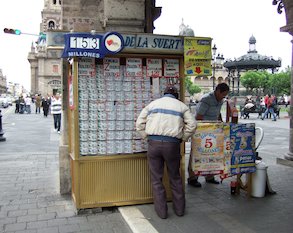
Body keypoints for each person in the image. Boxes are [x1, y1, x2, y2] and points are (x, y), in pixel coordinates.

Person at [136, 86, 197, 219]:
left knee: (156, 179)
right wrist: (183, 137)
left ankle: (162, 213)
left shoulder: (152, 105)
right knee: (175, 177)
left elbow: (139, 123)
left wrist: (146, 137)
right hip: (172, 145)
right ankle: (180, 210)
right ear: (176, 95)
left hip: (154, 145)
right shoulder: (182, 106)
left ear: (164, 94)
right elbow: (192, 125)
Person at [187, 83, 230, 188]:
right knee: (197, 153)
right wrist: (203, 129)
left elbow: (218, 113)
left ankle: (210, 176)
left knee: (212, 154)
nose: (223, 98)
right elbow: (199, 116)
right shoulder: (206, 100)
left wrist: (221, 123)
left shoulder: (220, 100)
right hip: (202, 131)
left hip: (214, 130)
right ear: (218, 91)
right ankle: (192, 178)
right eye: (223, 95)